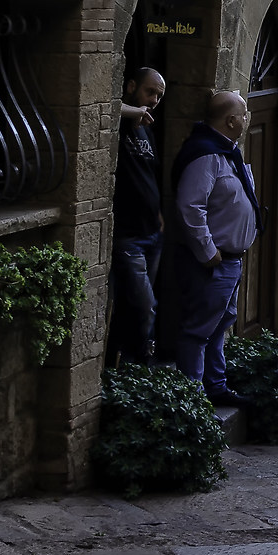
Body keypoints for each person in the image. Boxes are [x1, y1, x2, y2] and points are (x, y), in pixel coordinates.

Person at [164, 89, 260, 406]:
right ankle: (192, 398)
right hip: (213, 263)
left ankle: (215, 388)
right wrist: (209, 252)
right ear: (232, 120)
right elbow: (190, 207)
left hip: (229, 260)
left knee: (219, 326)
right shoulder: (205, 155)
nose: (248, 119)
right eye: (244, 114)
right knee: (198, 330)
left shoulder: (226, 152)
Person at [107, 67, 166, 367]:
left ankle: (120, 364)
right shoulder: (121, 121)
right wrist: (134, 113)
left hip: (152, 233)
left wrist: (158, 216)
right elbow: (104, 105)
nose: (154, 100)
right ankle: (141, 366)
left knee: (134, 306)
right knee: (145, 306)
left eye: (159, 95)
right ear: (131, 86)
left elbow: (150, 175)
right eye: (150, 91)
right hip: (128, 236)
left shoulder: (146, 129)